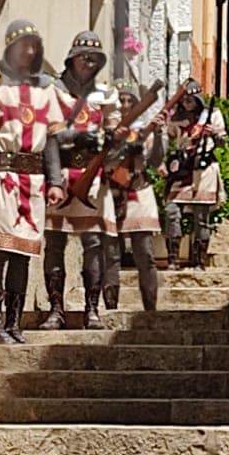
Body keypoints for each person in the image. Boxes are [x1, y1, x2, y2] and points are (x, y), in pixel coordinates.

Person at [0, 18, 66, 345]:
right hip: (0, 178)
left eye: (34, 45)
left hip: (32, 183)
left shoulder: (47, 91)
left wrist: (56, 181)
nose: (29, 51)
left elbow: (50, 141)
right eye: (23, 45)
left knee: (23, 255)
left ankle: (13, 324)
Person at [41, 30, 120, 332]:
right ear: (72, 59)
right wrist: (78, 136)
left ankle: (92, 309)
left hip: (93, 177)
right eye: (84, 57)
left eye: (95, 58)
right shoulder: (54, 92)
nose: (89, 63)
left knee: (93, 244)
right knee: (55, 243)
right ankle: (56, 309)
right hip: (60, 174)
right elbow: (49, 135)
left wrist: (114, 140)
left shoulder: (105, 96)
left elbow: (114, 139)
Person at [100, 86, 164, 313]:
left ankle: (150, 308)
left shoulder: (143, 131)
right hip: (111, 193)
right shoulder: (105, 131)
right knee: (110, 254)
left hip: (139, 191)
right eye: (122, 101)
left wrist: (156, 134)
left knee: (145, 253)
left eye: (130, 100)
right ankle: (110, 307)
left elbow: (156, 162)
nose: (126, 105)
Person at [162, 81, 226, 271]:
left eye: (191, 99)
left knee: (201, 217)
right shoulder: (175, 118)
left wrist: (214, 134)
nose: (187, 103)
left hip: (204, 170)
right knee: (171, 211)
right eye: (184, 99)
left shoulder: (212, 115)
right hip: (182, 168)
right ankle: (173, 258)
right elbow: (167, 138)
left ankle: (199, 261)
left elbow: (222, 141)